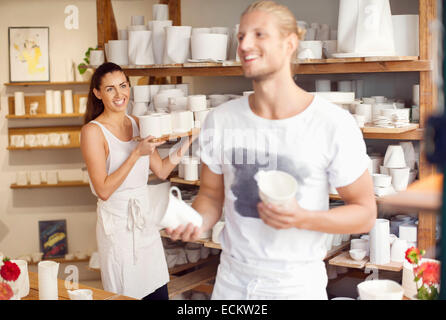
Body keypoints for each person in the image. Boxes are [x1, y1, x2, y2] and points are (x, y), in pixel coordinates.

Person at [166, 1, 377, 300]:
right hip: (232, 283)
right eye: (240, 36)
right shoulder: (220, 120)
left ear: (290, 43)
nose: (244, 45)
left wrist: (302, 218)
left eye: (259, 34)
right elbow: (211, 196)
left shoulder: (332, 124)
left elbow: (365, 212)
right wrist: (194, 221)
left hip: (295, 285)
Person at [80, 62, 196, 300]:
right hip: (118, 228)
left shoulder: (136, 123)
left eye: (123, 86)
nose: (119, 94)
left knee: (157, 292)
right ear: (97, 93)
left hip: (144, 224)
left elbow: (162, 170)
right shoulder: (92, 132)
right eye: (110, 88)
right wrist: (136, 153)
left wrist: (188, 141)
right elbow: (103, 190)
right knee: (126, 293)